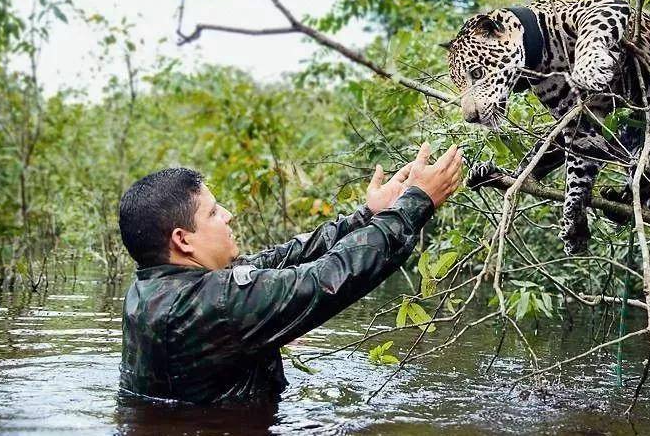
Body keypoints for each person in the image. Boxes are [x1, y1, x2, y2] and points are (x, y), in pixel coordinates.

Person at [117, 142, 463, 404]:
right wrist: (417, 201)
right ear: (183, 240)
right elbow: (332, 276)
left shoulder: (152, 287)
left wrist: (368, 214)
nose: (227, 216)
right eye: (212, 213)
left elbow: (281, 259)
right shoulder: (215, 304)